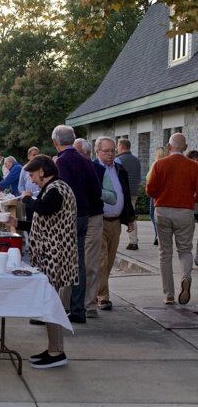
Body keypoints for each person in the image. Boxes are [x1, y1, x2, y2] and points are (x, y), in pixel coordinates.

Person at [6, 155, 77, 369]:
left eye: (32, 175)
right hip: (50, 254)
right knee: (49, 302)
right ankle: (53, 348)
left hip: (55, 256)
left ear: (42, 171)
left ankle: (57, 352)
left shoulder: (56, 189)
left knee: (51, 303)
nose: (32, 180)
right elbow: (43, 221)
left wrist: (27, 198)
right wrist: (17, 223)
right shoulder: (53, 189)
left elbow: (44, 209)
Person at [53, 126, 103, 324]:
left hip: (68, 216)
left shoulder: (62, 161)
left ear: (56, 141)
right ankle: (78, 309)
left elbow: (62, 191)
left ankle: (59, 307)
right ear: (73, 139)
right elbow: (96, 191)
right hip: (84, 215)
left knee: (61, 263)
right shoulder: (85, 161)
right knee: (80, 264)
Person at [146, 133, 198, 305]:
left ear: (168, 147)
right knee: (185, 250)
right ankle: (186, 276)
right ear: (185, 147)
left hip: (163, 210)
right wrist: (192, 199)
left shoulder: (159, 164)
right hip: (185, 210)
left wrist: (160, 195)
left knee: (165, 253)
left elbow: (150, 190)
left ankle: (168, 294)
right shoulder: (193, 166)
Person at [93, 137, 136, 313]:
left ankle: (98, 291)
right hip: (98, 220)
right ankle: (103, 297)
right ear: (98, 152)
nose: (111, 154)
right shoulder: (93, 169)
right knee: (101, 260)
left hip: (116, 221)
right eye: (106, 151)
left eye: (112, 150)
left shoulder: (119, 169)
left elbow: (125, 192)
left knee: (109, 260)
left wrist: (130, 218)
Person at [73, 138, 114, 320]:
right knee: (71, 262)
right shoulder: (66, 168)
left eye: (77, 153)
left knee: (90, 263)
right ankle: (71, 303)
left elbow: (112, 197)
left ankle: (89, 304)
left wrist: (97, 192)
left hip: (92, 218)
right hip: (71, 219)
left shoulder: (99, 170)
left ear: (88, 154)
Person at [115, 138, 143, 250]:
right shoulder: (137, 160)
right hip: (133, 191)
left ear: (121, 147)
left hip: (122, 192)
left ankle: (120, 240)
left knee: (117, 216)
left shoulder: (118, 160)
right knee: (131, 215)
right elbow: (140, 178)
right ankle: (133, 240)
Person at [148, 146, 169, 246]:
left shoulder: (156, 165)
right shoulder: (169, 165)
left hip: (156, 194)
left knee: (153, 215)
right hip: (166, 194)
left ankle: (158, 234)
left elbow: (149, 177)